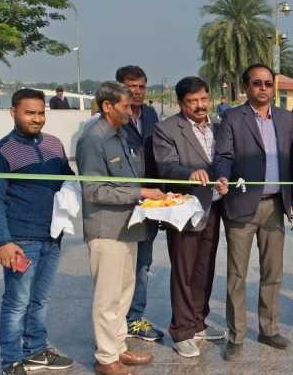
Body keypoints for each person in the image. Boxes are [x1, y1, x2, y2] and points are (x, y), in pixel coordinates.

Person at [212, 64, 293, 360]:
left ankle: (268, 329)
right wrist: (222, 176)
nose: (263, 88)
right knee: (237, 275)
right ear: (246, 87)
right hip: (241, 206)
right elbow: (223, 156)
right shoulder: (232, 118)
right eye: (257, 83)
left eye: (267, 83)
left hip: (276, 205)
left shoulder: (286, 118)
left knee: (273, 273)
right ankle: (236, 335)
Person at [0, 88, 75, 375]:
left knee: (41, 299)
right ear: (13, 112)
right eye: (29, 113)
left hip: (51, 236)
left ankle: (35, 350)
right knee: (16, 302)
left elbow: (68, 179)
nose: (36, 119)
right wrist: (4, 241)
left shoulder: (54, 145)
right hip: (21, 240)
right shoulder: (1, 152)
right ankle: (11, 360)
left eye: (41, 112)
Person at [76, 82, 163, 375]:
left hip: (129, 226)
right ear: (107, 106)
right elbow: (93, 191)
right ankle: (105, 358)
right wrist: (139, 194)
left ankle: (118, 348)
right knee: (107, 297)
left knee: (124, 293)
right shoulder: (92, 139)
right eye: (125, 106)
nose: (130, 110)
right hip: (106, 228)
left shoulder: (121, 135)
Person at [152, 76, 228, 358]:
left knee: (205, 267)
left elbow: (225, 158)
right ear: (182, 103)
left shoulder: (219, 127)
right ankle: (181, 330)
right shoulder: (166, 129)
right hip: (185, 207)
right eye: (193, 101)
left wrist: (224, 177)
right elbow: (167, 167)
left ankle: (198, 321)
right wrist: (189, 174)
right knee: (184, 270)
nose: (200, 106)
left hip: (215, 205)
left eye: (203, 99)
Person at [115, 65, 164, 342]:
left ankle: (135, 318)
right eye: (130, 86)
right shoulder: (109, 120)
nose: (136, 91)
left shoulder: (151, 115)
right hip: (120, 204)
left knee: (143, 263)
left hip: (149, 203)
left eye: (141, 86)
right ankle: (114, 322)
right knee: (119, 265)